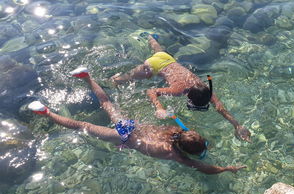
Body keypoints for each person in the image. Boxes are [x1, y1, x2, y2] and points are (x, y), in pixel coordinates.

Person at [28, 67, 246, 175]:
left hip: (133, 125)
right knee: (83, 126)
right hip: (124, 135)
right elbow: (203, 167)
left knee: (109, 105)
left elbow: (183, 129)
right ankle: (46, 112)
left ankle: (87, 77)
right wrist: (226, 168)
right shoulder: (175, 155)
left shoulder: (177, 131)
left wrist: (162, 110)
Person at [110, 34, 251, 142]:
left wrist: (237, 125)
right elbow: (151, 91)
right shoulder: (178, 90)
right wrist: (159, 107)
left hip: (167, 58)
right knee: (124, 79)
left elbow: (220, 107)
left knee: (156, 48)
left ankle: (150, 36)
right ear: (189, 97)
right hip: (152, 66)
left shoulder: (203, 88)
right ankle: (113, 80)